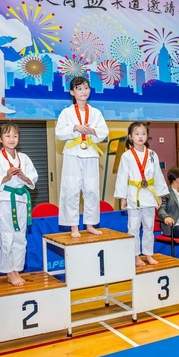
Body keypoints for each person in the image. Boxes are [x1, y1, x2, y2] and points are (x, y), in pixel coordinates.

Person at [55, 76, 109, 238]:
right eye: (79, 88)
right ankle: (73, 227)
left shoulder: (96, 113)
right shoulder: (66, 113)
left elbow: (104, 132)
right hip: (72, 153)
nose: (83, 91)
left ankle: (90, 224)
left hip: (90, 153)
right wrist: (75, 127)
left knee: (91, 189)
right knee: (71, 189)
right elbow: (59, 133)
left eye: (86, 87)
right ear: (72, 92)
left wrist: (92, 131)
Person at [0, 123, 38, 286]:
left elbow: (33, 177)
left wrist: (24, 177)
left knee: (20, 236)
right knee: (7, 235)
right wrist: (6, 177)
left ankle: (17, 269)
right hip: (6, 199)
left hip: (21, 198)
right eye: (7, 135)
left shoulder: (24, 158)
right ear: (0, 139)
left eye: (15, 135)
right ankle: (9, 271)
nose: (12, 139)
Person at [115, 122, 169, 266]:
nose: (140, 136)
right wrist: (122, 198)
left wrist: (159, 195)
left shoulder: (152, 155)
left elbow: (158, 175)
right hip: (134, 194)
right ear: (130, 136)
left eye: (143, 133)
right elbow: (122, 177)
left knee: (149, 226)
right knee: (133, 226)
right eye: (137, 133)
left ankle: (148, 254)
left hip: (149, 194)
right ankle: (135, 256)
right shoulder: (127, 156)